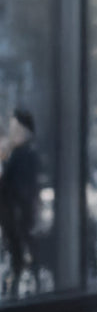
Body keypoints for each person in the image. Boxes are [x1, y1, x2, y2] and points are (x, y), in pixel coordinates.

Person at [0, 109, 41, 299]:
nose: (12, 133)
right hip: (15, 216)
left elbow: (17, 187)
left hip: (18, 215)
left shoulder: (24, 154)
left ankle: (19, 287)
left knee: (20, 254)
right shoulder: (17, 153)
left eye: (16, 129)